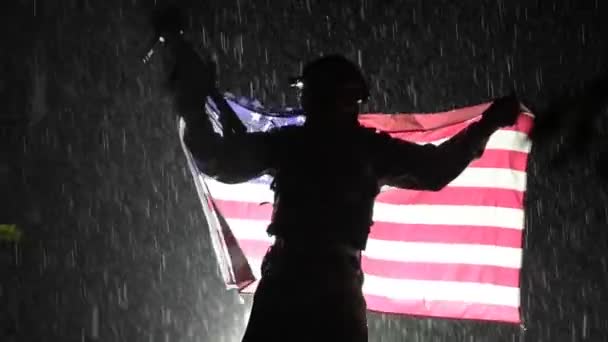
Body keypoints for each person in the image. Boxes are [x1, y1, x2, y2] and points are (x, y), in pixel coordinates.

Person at [158, 16, 521, 342]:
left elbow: (220, 160)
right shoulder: (360, 149)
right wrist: (486, 124)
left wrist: (192, 106)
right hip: (326, 290)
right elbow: (436, 169)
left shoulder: (298, 146)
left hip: (296, 286)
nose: (306, 102)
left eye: (310, 93)